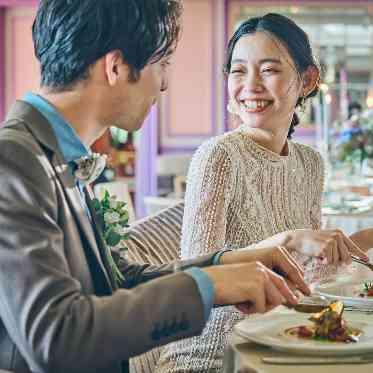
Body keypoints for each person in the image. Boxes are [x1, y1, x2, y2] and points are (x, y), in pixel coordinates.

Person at [0, 2, 310, 373]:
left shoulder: (54, 154)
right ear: (115, 67)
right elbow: (57, 336)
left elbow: (117, 281)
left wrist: (232, 266)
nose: (164, 84)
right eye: (161, 65)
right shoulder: (14, 160)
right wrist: (208, 284)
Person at [156, 13, 368, 372]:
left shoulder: (310, 163)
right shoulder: (217, 157)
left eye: (269, 70)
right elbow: (195, 279)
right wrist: (289, 238)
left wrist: (355, 242)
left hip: (283, 344)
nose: (250, 85)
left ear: (307, 80)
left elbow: (307, 281)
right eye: (238, 71)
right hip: (213, 357)